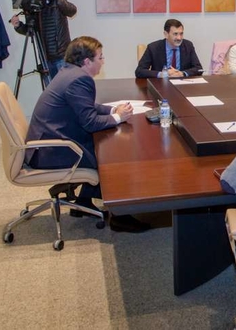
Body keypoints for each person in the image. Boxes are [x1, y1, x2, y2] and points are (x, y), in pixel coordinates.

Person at [26, 36, 149, 233]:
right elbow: (90, 122)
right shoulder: (80, 80)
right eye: (100, 57)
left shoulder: (69, 72)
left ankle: (84, 201)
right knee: (113, 154)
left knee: (106, 143)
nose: (103, 61)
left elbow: (87, 106)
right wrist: (118, 118)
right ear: (86, 62)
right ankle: (120, 216)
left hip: (47, 141)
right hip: (52, 150)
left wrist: (111, 111)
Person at [9, 0, 76, 80]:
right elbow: (30, 30)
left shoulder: (58, 1)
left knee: (66, 90)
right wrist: (18, 25)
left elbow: (72, 10)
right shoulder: (33, 6)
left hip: (62, 56)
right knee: (50, 93)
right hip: (45, 57)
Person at [135, 18, 203, 78]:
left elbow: (199, 69)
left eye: (181, 34)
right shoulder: (153, 48)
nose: (179, 38)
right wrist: (162, 74)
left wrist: (182, 73)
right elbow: (139, 71)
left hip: (183, 86)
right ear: (166, 34)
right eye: (175, 34)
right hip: (161, 86)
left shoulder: (188, 45)